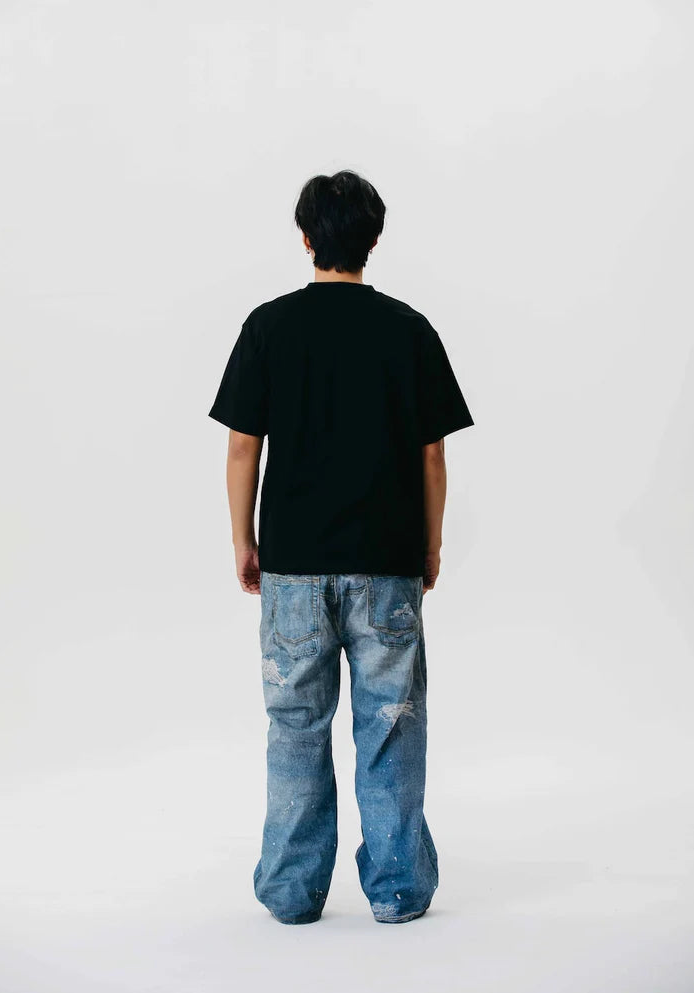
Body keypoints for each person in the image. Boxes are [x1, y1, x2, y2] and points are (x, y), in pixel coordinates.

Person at [207, 169, 475, 925]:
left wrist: (244, 539)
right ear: (374, 239)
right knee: (391, 726)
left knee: (295, 730)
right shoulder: (409, 329)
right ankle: (398, 890)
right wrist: (430, 544)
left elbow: (242, 447)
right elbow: (431, 454)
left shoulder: (268, 326)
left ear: (305, 239)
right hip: (387, 560)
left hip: (292, 564)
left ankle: (292, 893)